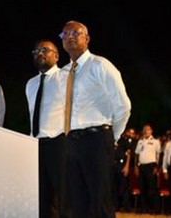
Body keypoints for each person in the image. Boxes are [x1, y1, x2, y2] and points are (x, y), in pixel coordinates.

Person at [59, 20, 131, 218]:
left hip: (97, 140)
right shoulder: (63, 73)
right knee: (77, 204)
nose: (70, 36)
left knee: (100, 203)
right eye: (65, 33)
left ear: (87, 39)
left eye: (76, 32)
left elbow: (123, 106)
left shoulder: (101, 65)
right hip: (70, 142)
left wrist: (111, 137)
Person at [25, 39, 70, 218]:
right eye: (36, 51)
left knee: (64, 196)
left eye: (45, 50)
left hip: (59, 142)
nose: (40, 53)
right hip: (35, 145)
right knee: (41, 198)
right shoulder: (30, 83)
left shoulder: (65, 78)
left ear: (57, 55)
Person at [134, 123, 161, 214]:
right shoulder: (140, 141)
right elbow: (136, 154)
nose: (146, 131)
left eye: (148, 129)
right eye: (144, 129)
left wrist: (157, 167)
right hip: (141, 166)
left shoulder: (156, 141)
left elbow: (159, 155)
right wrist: (136, 166)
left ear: (151, 131)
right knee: (142, 188)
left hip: (151, 166)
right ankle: (143, 208)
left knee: (152, 189)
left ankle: (154, 208)